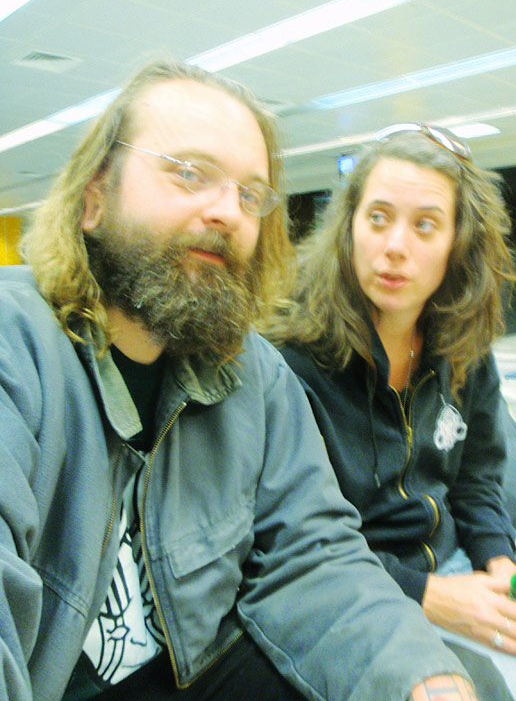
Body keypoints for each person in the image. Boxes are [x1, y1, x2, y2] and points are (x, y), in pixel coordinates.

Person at [0, 62, 488, 701]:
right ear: (95, 196)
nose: (228, 211)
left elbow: (312, 554)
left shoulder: (252, 373)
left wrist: (417, 678)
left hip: (202, 668)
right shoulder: (17, 348)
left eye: (251, 195)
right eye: (190, 173)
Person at [269, 123, 516, 701]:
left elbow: (477, 480)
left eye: (425, 225)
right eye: (378, 218)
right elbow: (296, 543)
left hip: (457, 567)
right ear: (348, 228)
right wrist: (430, 597)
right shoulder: (291, 363)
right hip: (361, 595)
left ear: (457, 244)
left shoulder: (461, 345)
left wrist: (501, 564)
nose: (396, 245)